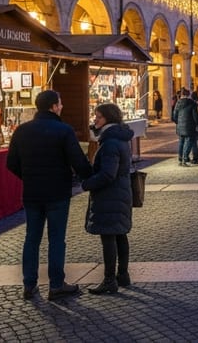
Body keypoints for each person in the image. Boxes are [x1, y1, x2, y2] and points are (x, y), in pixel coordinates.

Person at [6, 89, 92, 300]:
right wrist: (89, 178)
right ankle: (56, 285)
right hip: (57, 192)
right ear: (54, 106)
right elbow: (78, 161)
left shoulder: (22, 130)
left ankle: (29, 284)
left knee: (31, 238)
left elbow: (11, 163)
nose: (61, 107)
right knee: (56, 238)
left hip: (32, 192)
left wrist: (28, 176)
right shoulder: (63, 130)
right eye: (60, 103)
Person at [82, 103, 135, 294]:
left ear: (108, 119)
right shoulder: (118, 138)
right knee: (120, 233)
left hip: (110, 195)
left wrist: (87, 184)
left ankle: (109, 280)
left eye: (98, 117)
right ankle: (123, 275)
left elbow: (108, 174)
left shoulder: (111, 142)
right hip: (120, 193)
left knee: (109, 237)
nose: (95, 120)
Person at [172, 88, 198, 166]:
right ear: (188, 94)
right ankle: (185, 158)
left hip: (180, 126)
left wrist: (178, 122)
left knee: (181, 142)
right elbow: (195, 116)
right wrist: (197, 123)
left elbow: (174, 116)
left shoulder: (178, 103)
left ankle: (180, 158)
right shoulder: (192, 103)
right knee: (188, 141)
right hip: (189, 126)